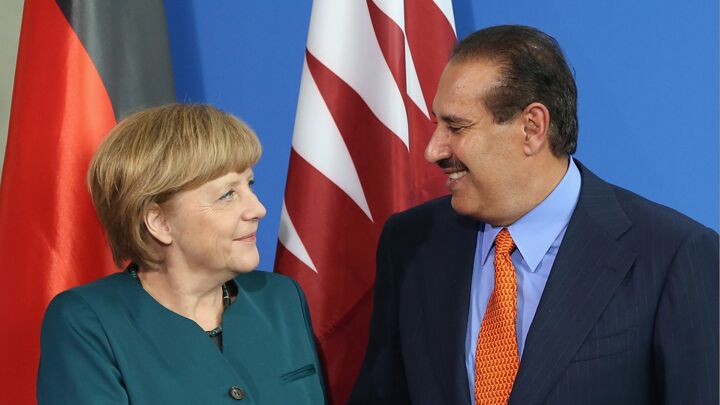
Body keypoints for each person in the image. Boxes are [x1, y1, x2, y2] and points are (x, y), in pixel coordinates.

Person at [350, 25, 718, 404]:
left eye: (456, 127)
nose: (433, 150)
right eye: (437, 125)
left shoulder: (672, 255)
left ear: (532, 128)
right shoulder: (411, 243)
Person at [38, 104, 326, 404]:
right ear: (160, 223)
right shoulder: (88, 322)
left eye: (249, 185)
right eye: (228, 194)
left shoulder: (282, 298)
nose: (258, 209)